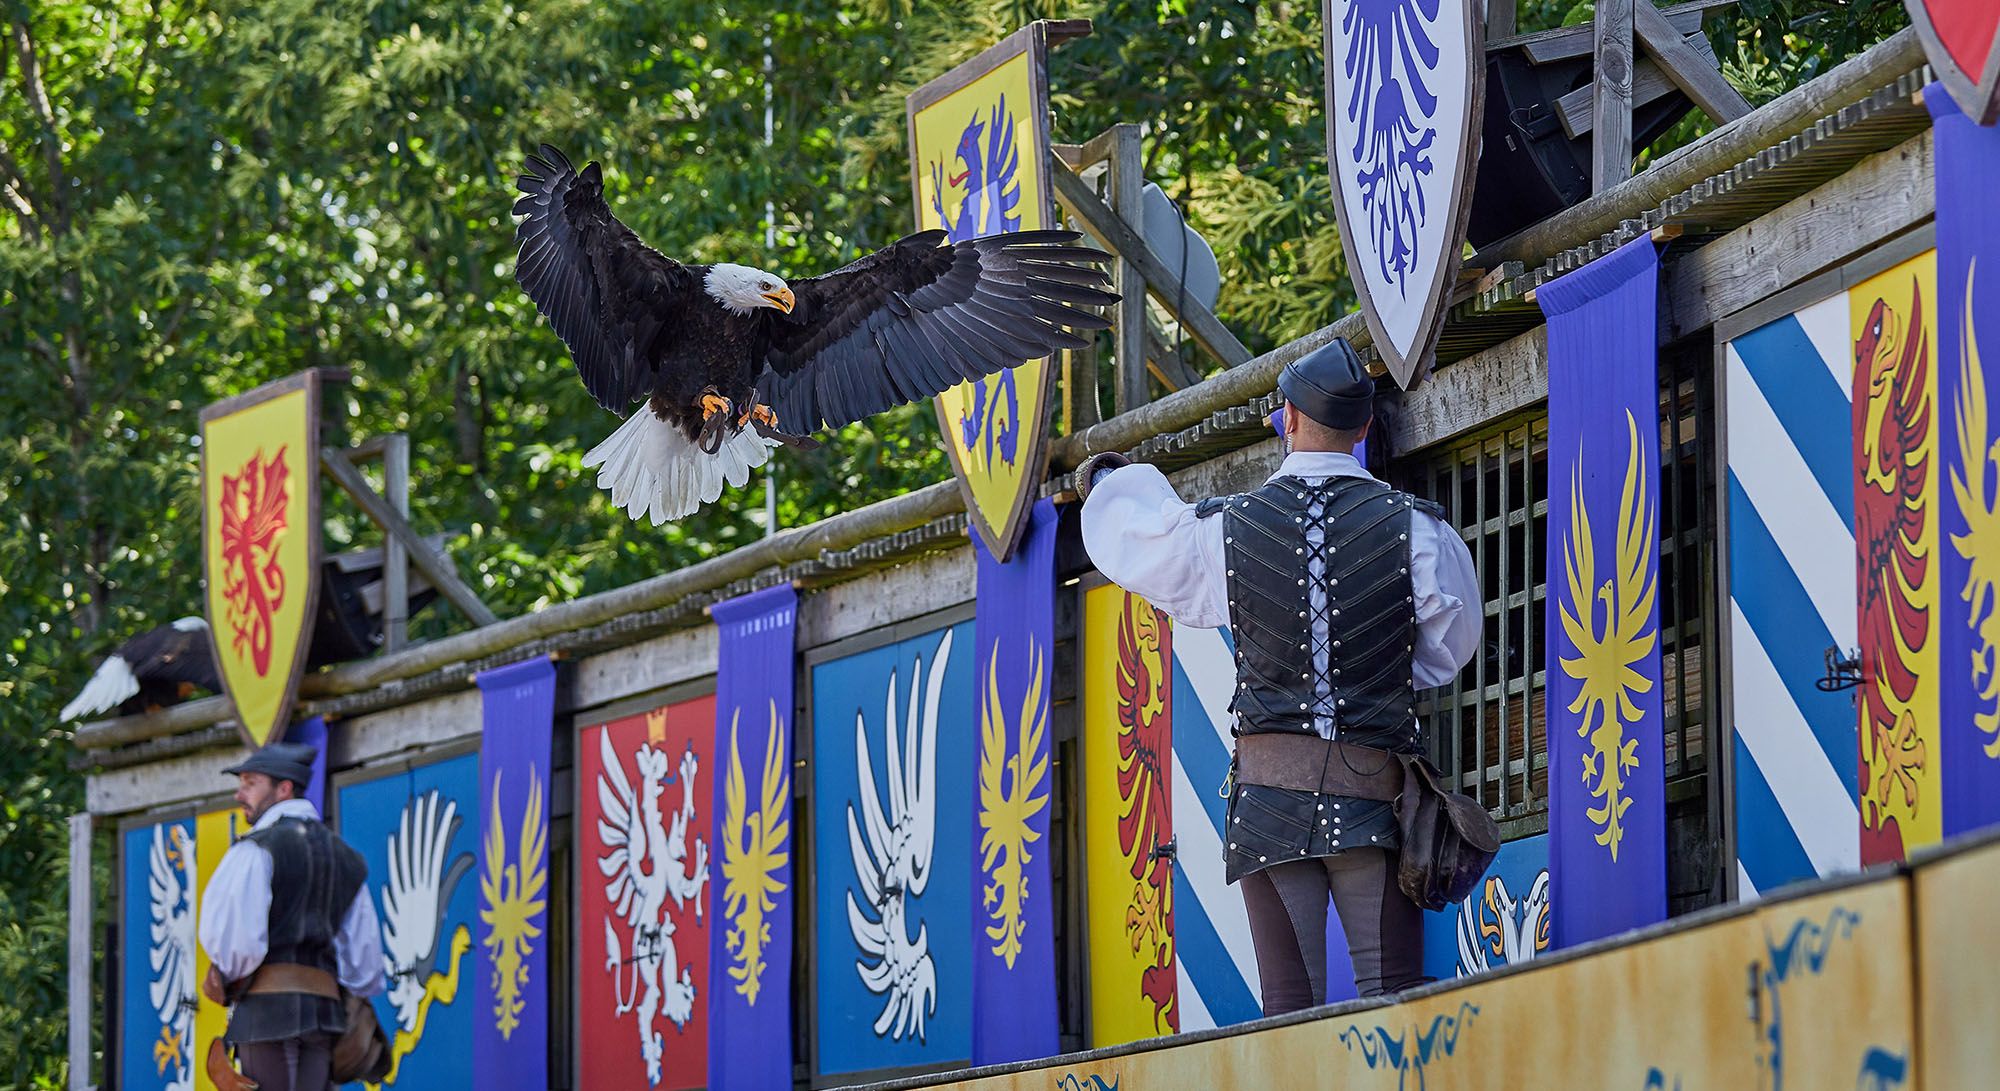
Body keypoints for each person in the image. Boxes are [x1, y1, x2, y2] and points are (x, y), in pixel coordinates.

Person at [1076, 336, 1479, 1012]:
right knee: (1398, 1005)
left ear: (1286, 419)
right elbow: (1449, 649)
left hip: (1268, 804)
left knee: (1290, 1010)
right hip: (1374, 798)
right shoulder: (1418, 530)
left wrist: (1109, 484)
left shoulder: (1223, 529)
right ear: (1365, 429)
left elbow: (1143, 544)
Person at [197, 741, 384, 1090]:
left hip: (265, 1015)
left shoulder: (256, 849)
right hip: (325, 1018)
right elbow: (365, 966)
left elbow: (237, 949)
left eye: (250, 783)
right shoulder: (347, 859)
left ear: (283, 788)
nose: (240, 794)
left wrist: (225, 977)